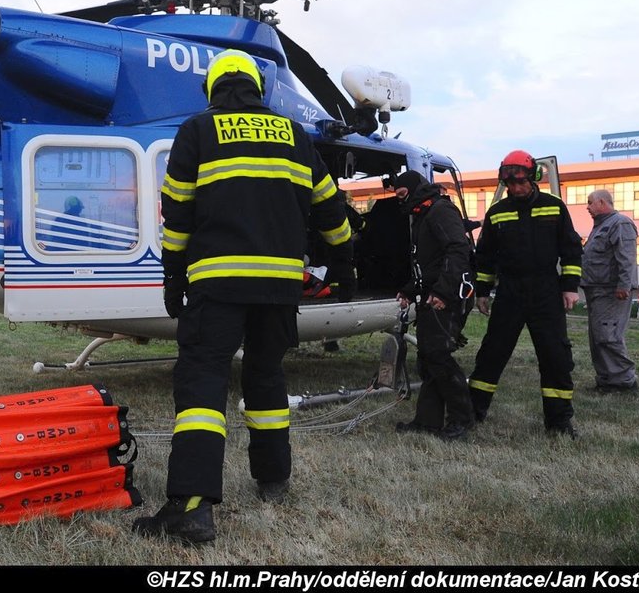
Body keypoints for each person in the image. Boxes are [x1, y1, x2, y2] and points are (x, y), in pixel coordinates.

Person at [132, 49, 355, 544]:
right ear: (257, 86)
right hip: (278, 289)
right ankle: (273, 478)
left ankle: (191, 507)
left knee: (203, 384)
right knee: (266, 376)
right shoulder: (293, 135)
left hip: (217, 283)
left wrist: (173, 277)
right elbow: (329, 205)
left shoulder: (198, 131)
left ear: (212, 87)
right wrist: (343, 264)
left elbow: (178, 213)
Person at [468, 150, 583, 439]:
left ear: (532, 179)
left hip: (546, 290)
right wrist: (482, 292)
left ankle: (558, 422)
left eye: (520, 183)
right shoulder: (496, 212)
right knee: (492, 353)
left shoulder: (554, 206)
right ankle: (473, 411)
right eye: (510, 185)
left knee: (555, 356)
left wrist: (570, 286)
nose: (516, 189)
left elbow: (571, 249)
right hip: (509, 291)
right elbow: (485, 257)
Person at [390, 170, 475, 440]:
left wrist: (443, 292)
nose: (400, 202)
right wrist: (409, 288)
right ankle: (427, 421)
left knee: (438, 355)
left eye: (402, 195)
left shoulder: (440, 211)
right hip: (432, 293)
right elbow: (429, 262)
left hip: (447, 295)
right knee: (428, 358)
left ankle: (462, 419)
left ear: (414, 191)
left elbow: (458, 250)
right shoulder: (422, 214)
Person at [581, 190, 639, 393]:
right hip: (598, 291)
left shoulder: (620, 223)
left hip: (612, 292)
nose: (587, 207)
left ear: (602, 202)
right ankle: (606, 380)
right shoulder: (600, 226)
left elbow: (627, 257)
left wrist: (624, 285)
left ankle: (623, 382)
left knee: (609, 334)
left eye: (590, 203)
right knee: (598, 337)